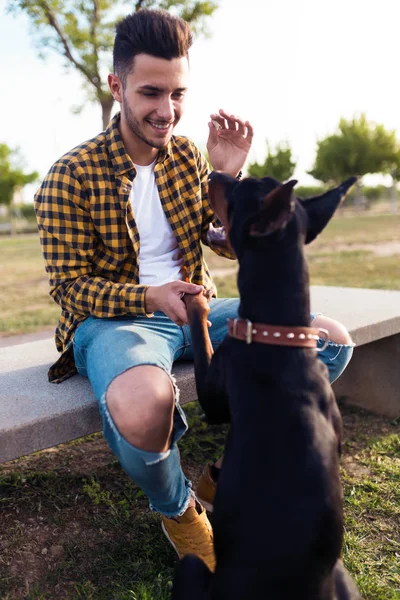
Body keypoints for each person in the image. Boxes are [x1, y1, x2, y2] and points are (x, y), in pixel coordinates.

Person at [34, 8, 354, 573]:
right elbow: (70, 288)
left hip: (199, 309)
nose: (167, 110)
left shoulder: (190, 157)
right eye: (151, 92)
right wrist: (150, 298)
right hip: (116, 323)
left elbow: (230, 249)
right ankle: (181, 510)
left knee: (330, 341)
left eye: (178, 92)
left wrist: (226, 181)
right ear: (117, 87)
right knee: (144, 406)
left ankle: (227, 474)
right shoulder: (70, 175)